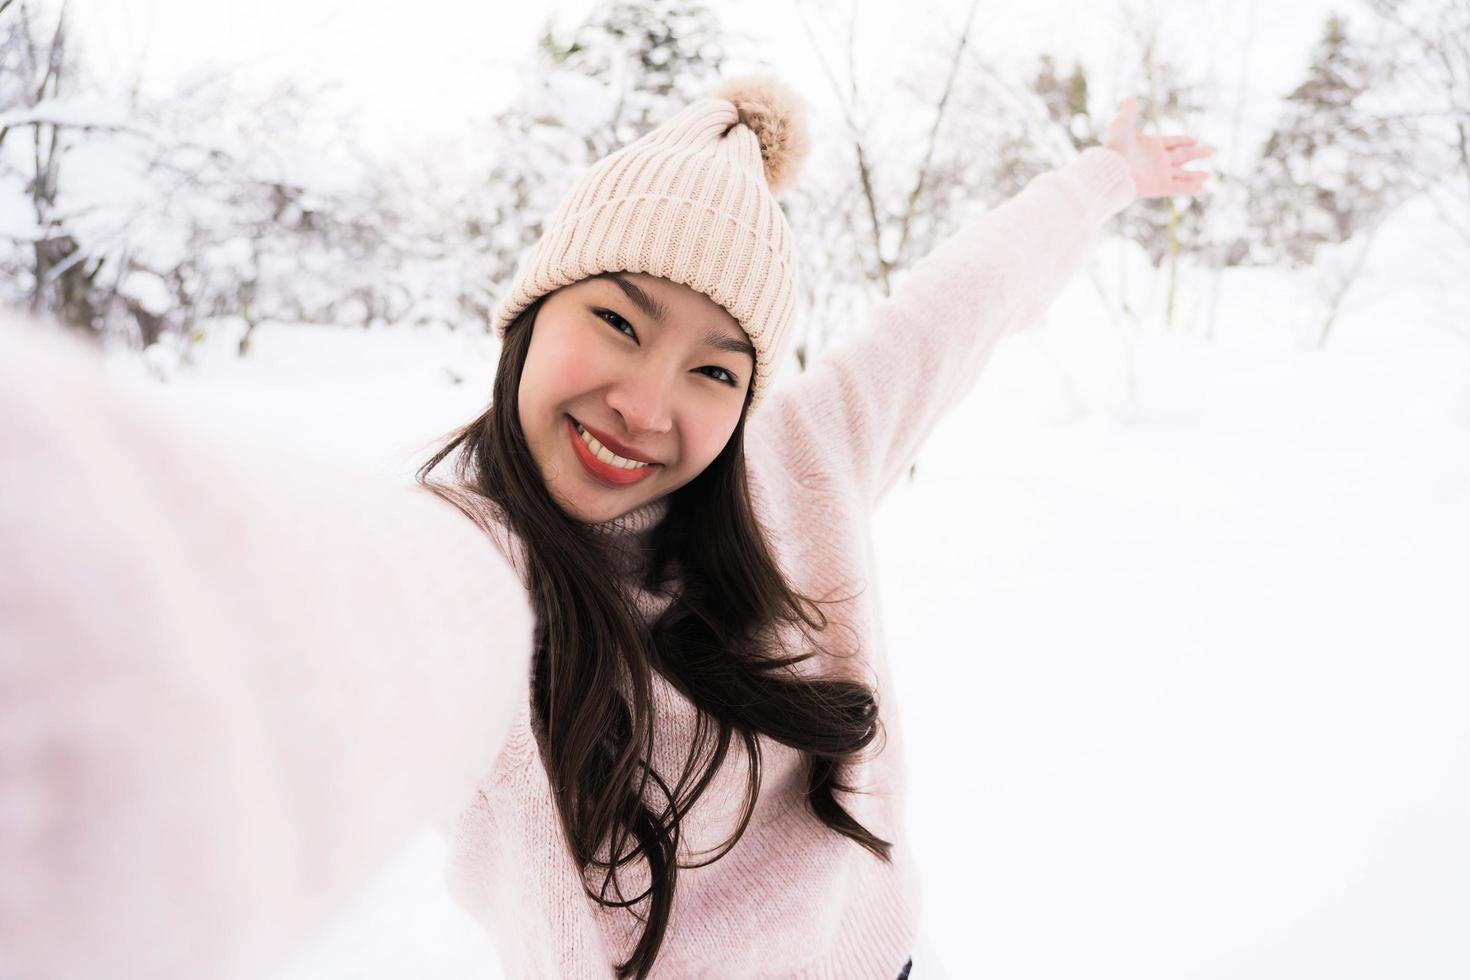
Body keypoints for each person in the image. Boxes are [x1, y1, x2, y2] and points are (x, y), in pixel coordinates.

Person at [0, 77, 1211, 980]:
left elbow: (967, 294)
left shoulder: (805, 460)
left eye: (715, 369)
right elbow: (277, 627)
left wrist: (1107, 176)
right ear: (531, 313)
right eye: (621, 323)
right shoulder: (468, 565)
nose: (648, 406)